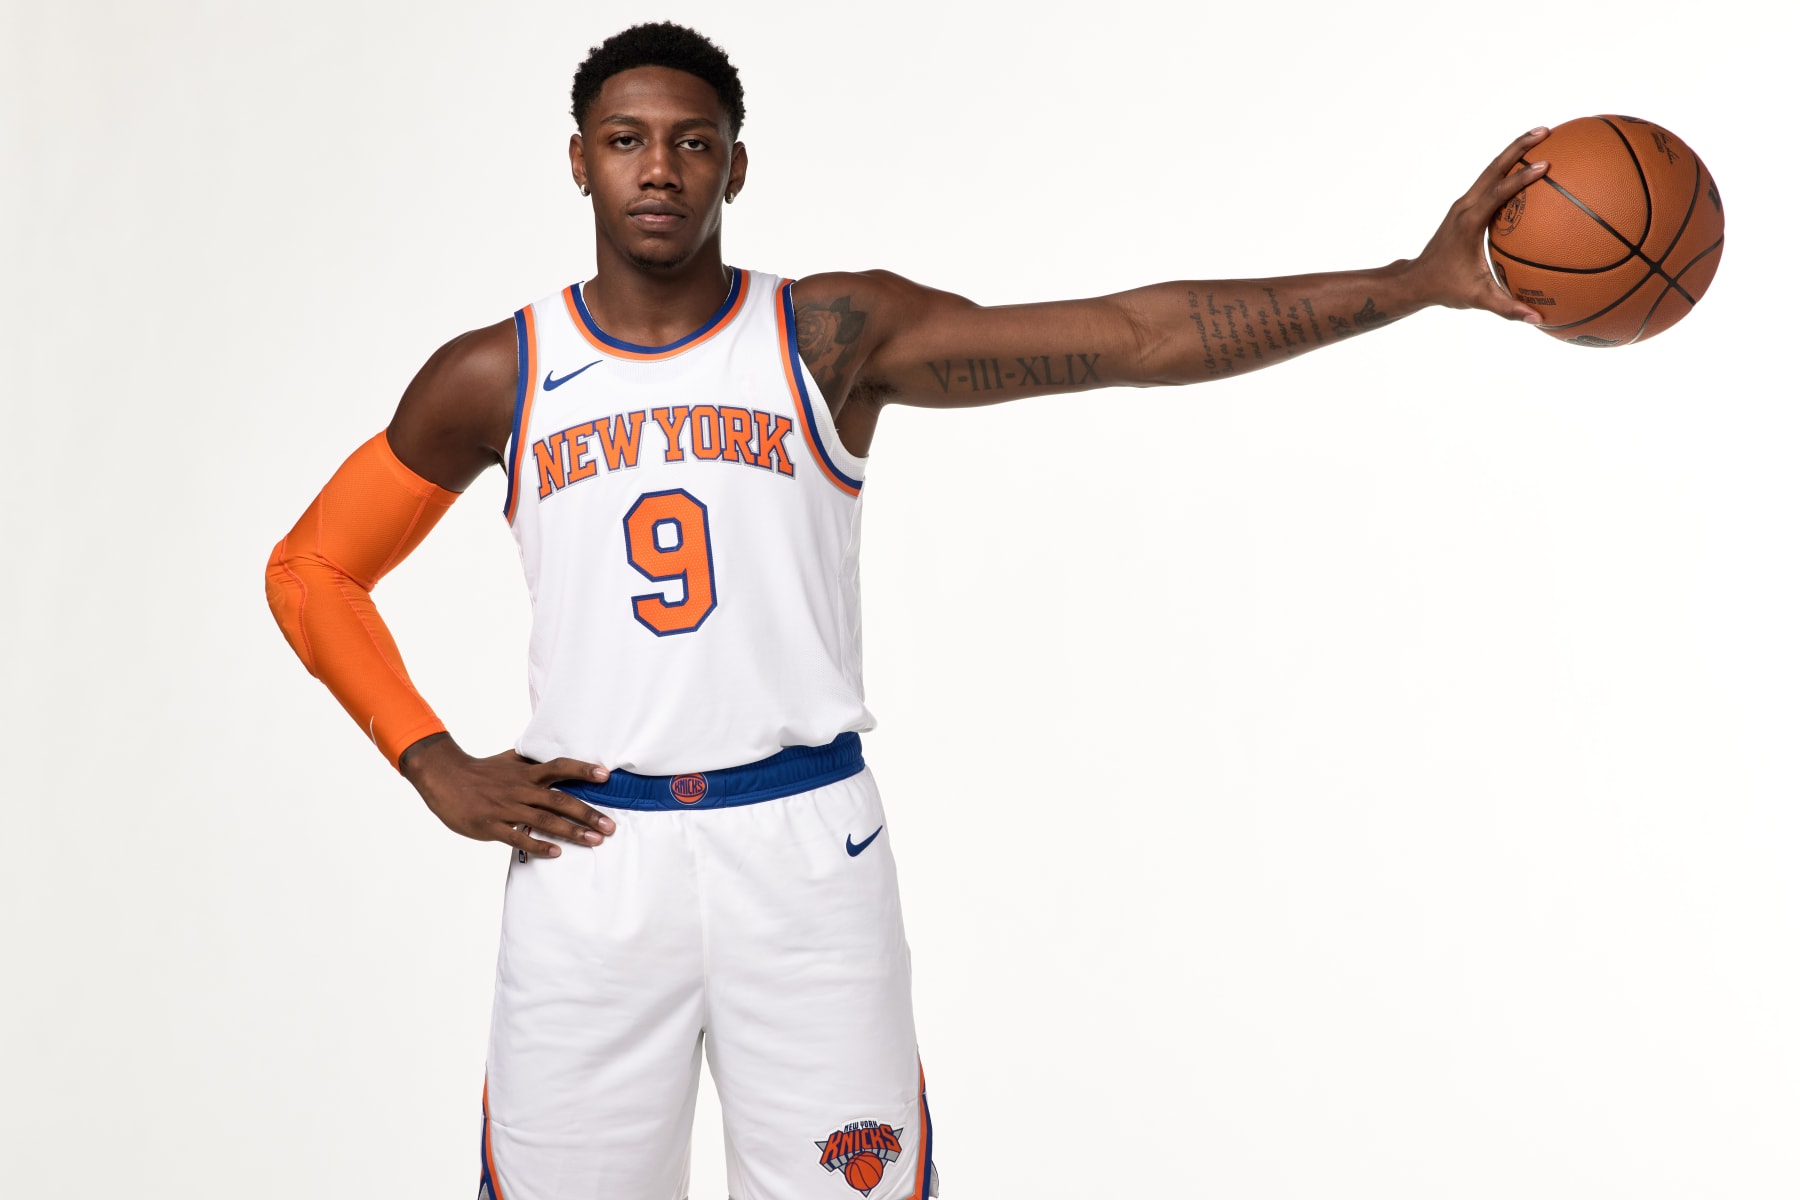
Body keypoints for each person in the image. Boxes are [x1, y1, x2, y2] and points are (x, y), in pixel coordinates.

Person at [265, 21, 1548, 1200]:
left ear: (736, 166)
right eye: (626, 141)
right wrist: (429, 761)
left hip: (803, 847)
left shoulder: (828, 336)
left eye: (691, 143)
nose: (658, 169)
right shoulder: (501, 371)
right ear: (578, 162)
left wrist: (1407, 282)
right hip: (593, 857)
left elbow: (1130, 338)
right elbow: (312, 570)